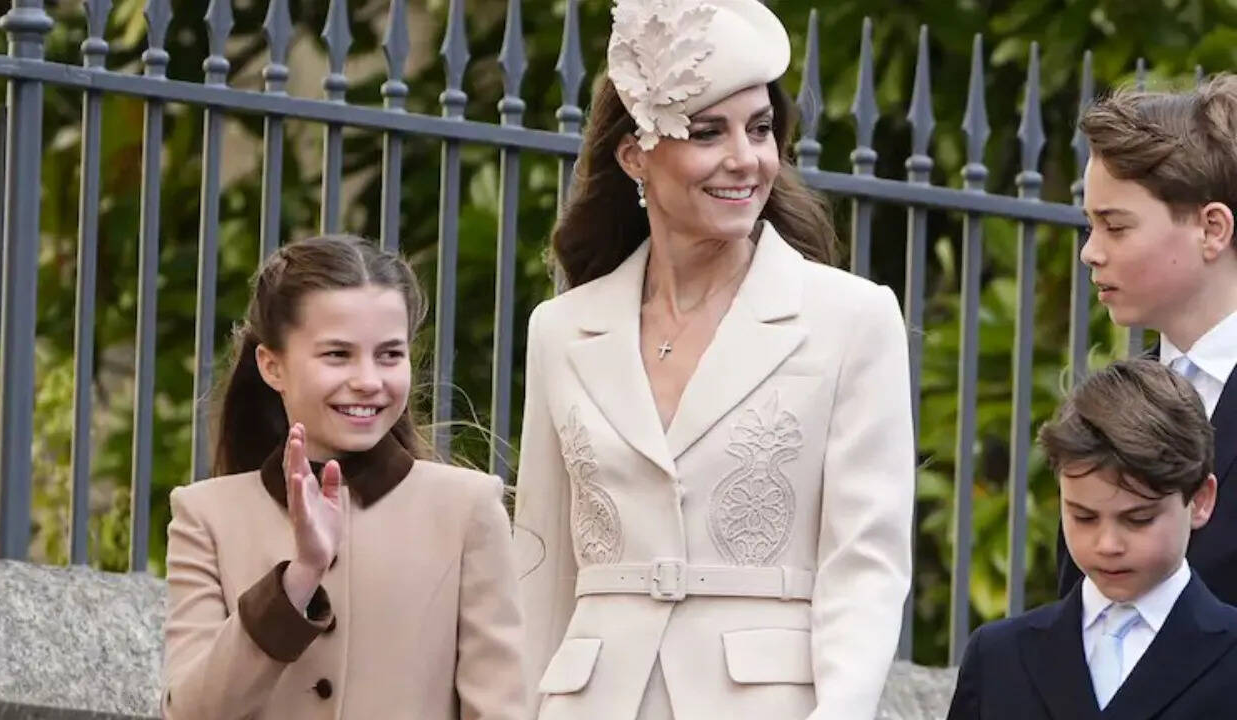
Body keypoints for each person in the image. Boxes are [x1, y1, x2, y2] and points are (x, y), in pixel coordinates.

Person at [511, 1, 915, 718]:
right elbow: (539, 570)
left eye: (760, 129)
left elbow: (867, 567)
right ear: (635, 155)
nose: (746, 158)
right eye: (707, 131)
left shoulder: (852, 318)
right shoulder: (560, 330)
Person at [161, 236, 526, 719]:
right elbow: (193, 712)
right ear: (272, 366)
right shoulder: (205, 516)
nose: (369, 380)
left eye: (390, 355)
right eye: (337, 354)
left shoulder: (467, 509)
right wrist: (298, 579)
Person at [947, 359, 1237, 719]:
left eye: (1138, 519)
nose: (1107, 545)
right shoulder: (997, 657)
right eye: (1083, 517)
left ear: (1200, 500)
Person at [1060, 75, 1237, 605]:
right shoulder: (1110, 402)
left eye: (1115, 226)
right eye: (1091, 226)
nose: (1090, 252)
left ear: (1212, 229)